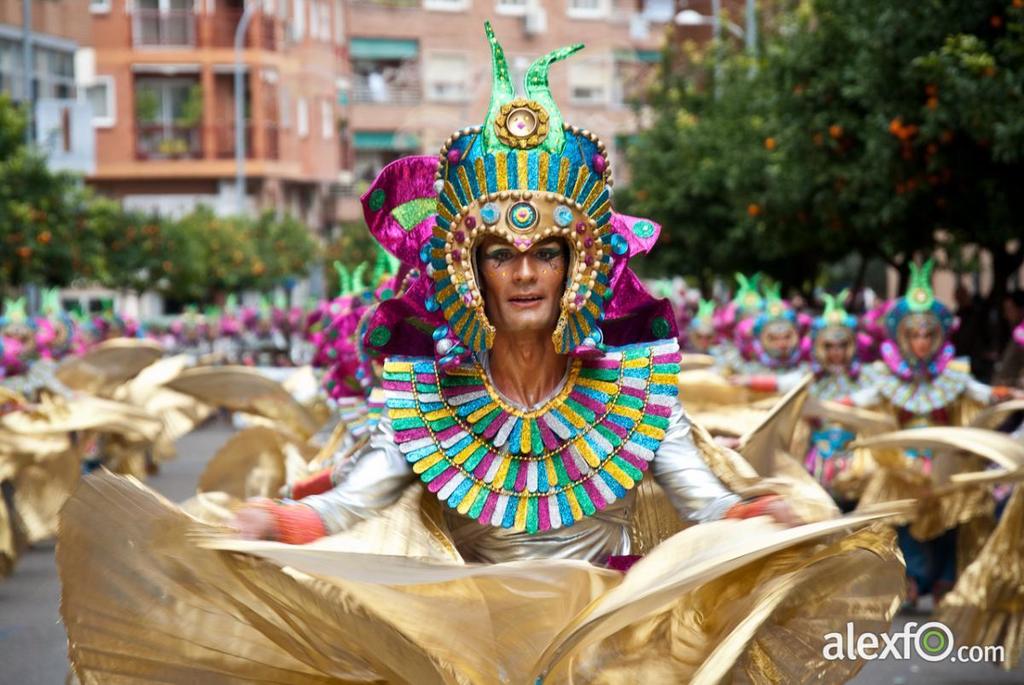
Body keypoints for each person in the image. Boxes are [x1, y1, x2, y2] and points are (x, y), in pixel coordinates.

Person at [58, 24, 904, 683]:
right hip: (470, 658)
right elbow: (350, 505)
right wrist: (269, 521)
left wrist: (766, 516)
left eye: (546, 253)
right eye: (502, 252)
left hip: (609, 651)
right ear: (471, 270)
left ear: (580, 266)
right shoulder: (426, 398)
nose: (526, 271)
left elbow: (707, 506)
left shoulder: (639, 396)